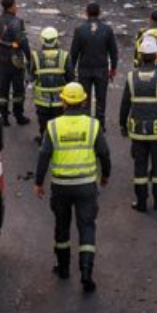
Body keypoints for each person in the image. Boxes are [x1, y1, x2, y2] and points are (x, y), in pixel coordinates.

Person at [34, 83, 111, 293]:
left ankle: (64, 267)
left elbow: (44, 155)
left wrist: (39, 182)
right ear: (84, 101)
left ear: (64, 101)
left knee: (62, 226)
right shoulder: (92, 125)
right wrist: (105, 175)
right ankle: (86, 272)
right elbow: (104, 153)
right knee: (86, 227)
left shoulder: (53, 126)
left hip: (61, 186)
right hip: (86, 185)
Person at [119, 36, 157, 212]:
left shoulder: (131, 77)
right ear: (156, 55)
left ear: (140, 55)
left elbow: (125, 104)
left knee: (140, 167)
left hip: (137, 130)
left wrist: (123, 125)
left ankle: (141, 202)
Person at [69, 3, 118, 125]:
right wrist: (113, 68)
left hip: (84, 69)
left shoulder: (80, 29)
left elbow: (74, 52)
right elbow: (113, 51)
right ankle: (100, 124)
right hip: (101, 69)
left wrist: (71, 69)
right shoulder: (107, 29)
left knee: (85, 98)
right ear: (99, 13)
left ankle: (86, 124)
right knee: (101, 98)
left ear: (86, 13)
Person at [0, 0, 32, 126]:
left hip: (1, 59)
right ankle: (18, 115)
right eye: (15, 5)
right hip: (15, 60)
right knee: (18, 89)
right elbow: (22, 41)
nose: (17, 7)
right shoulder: (17, 21)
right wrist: (30, 58)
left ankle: (2, 116)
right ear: (11, 7)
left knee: (3, 88)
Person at [32, 27, 73, 140]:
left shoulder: (35, 56)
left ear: (42, 40)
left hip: (41, 99)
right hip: (59, 99)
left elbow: (31, 75)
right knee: (59, 121)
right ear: (56, 39)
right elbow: (70, 78)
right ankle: (58, 140)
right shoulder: (64, 56)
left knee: (43, 121)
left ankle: (44, 140)